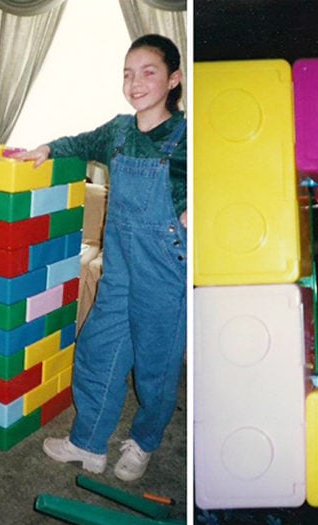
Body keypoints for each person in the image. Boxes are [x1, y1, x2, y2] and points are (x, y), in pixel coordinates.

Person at [14, 34, 186, 482]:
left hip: (165, 267)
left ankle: (144, 442)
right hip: (120, 265)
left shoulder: (186, 136)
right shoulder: (118, 129)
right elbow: (81, 142)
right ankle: (88, 443)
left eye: (148, 72)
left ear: (174, 79)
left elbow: (210, 181)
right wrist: (48, 148)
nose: (135, 82)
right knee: (97, 348)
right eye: (127, 73)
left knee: (155, 365)